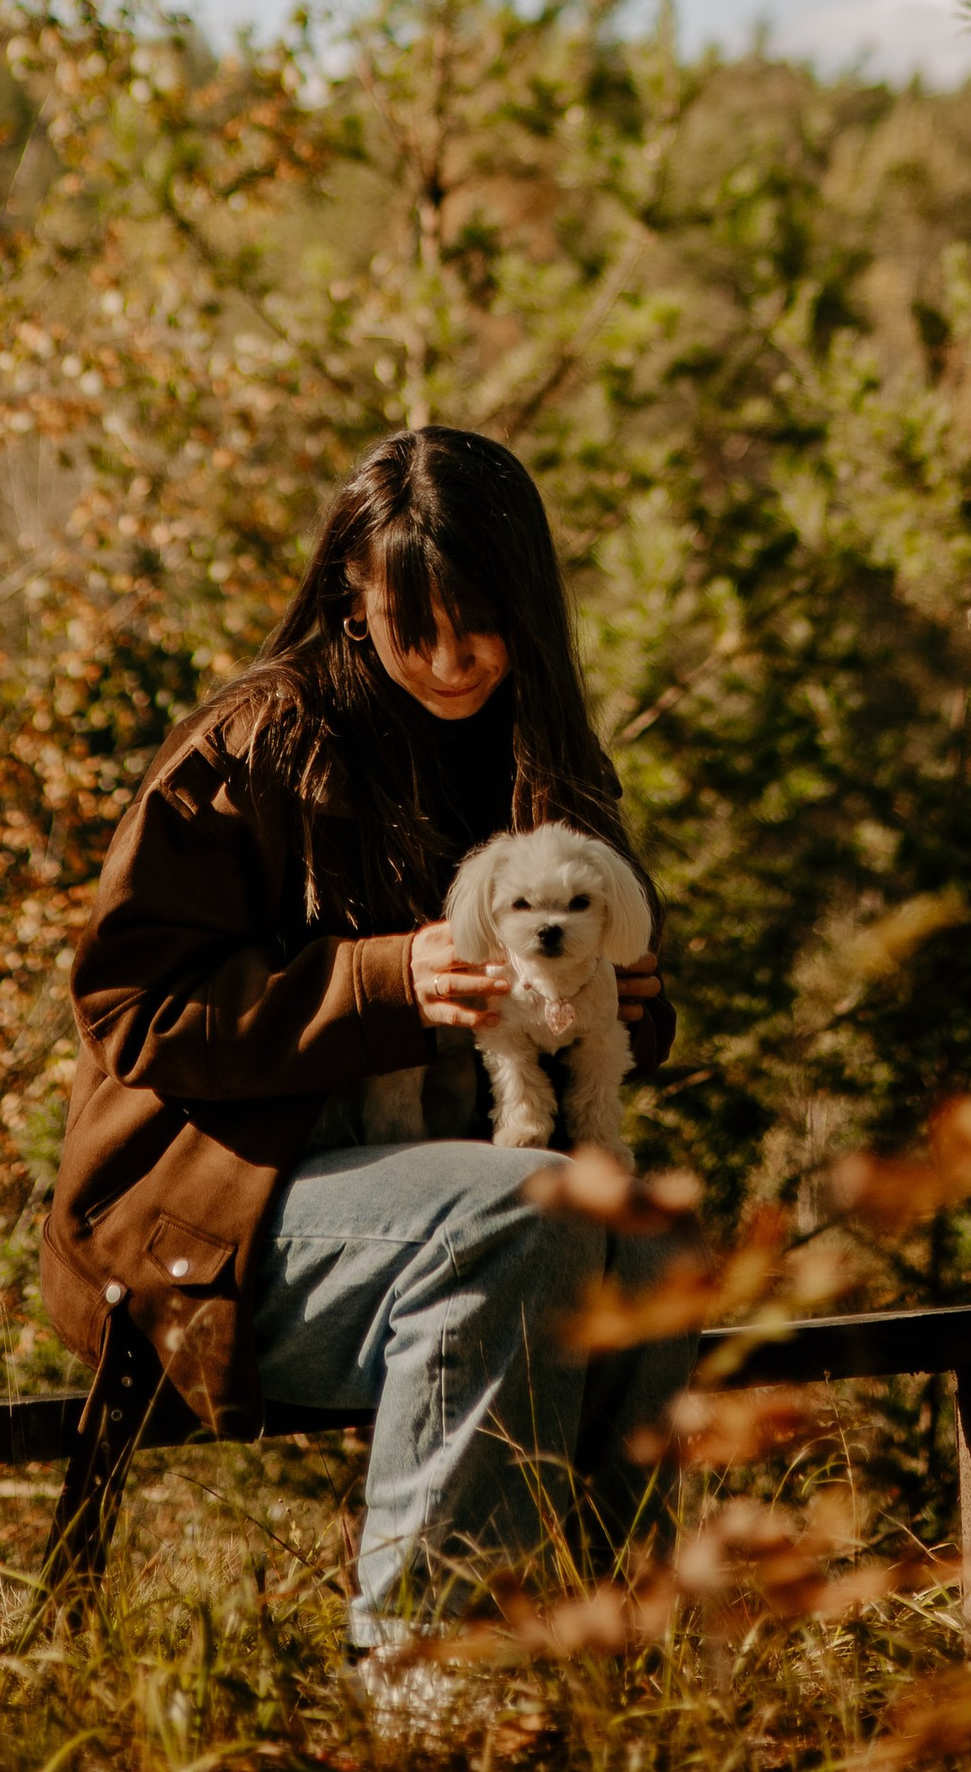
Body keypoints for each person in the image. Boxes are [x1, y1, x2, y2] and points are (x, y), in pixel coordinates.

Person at [41, 423, 698, 1660]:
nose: (452, 661)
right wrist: (385, 978)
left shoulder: (544, 751)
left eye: (481, 625)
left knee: (648, 1232)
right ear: (356, 594)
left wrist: (629, 1001)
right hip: (202, 1217)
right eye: (416, 627)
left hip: (442, 1189)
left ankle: (616, 1659)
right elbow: (130, 1009)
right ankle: (429, 1675)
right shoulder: (249, 744)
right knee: (530, 1207)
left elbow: (593, 1021)